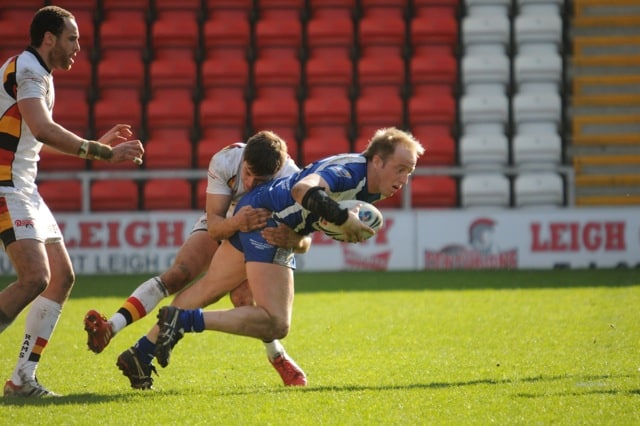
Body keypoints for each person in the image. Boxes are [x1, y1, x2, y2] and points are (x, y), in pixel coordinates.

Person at [150, 127, 424, 380]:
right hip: (268, 219)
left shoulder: (367, 186)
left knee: (212, 289)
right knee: (276, 322)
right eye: (400, 169)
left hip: (267, 214)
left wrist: (310, 233)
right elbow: (302, 190)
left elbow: (311, 218)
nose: (404, 178)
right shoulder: (350, 172)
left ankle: (140, 352)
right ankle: (181, 320)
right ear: (377, 161)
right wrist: (342, 218)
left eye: (409, 172)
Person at [83, 130, 311, 389]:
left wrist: (293, 239)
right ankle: (113, 327)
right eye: (247, 174)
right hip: (226, 219)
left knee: (242, 299)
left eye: (259, 181)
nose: (249, 184)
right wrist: (237, 221)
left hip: (254, 232)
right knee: (179, 273)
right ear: (244, 160)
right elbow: (214, 225)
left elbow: (305, 240)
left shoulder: (292, 178)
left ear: (276, 172)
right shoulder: (226, 160)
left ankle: (276, 355)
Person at [0, 6, 144, 398]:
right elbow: (44, 128)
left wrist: (96, 143)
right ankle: (21, 380)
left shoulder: (39, 73)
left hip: (23, 185)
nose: (78, 47)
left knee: (60, 278)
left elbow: (39, 139)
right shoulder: (27, 70)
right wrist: (101, 152)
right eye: (72, 38)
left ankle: (21, 380)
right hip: (5, 184)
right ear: (49, 38)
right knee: (35, 277)